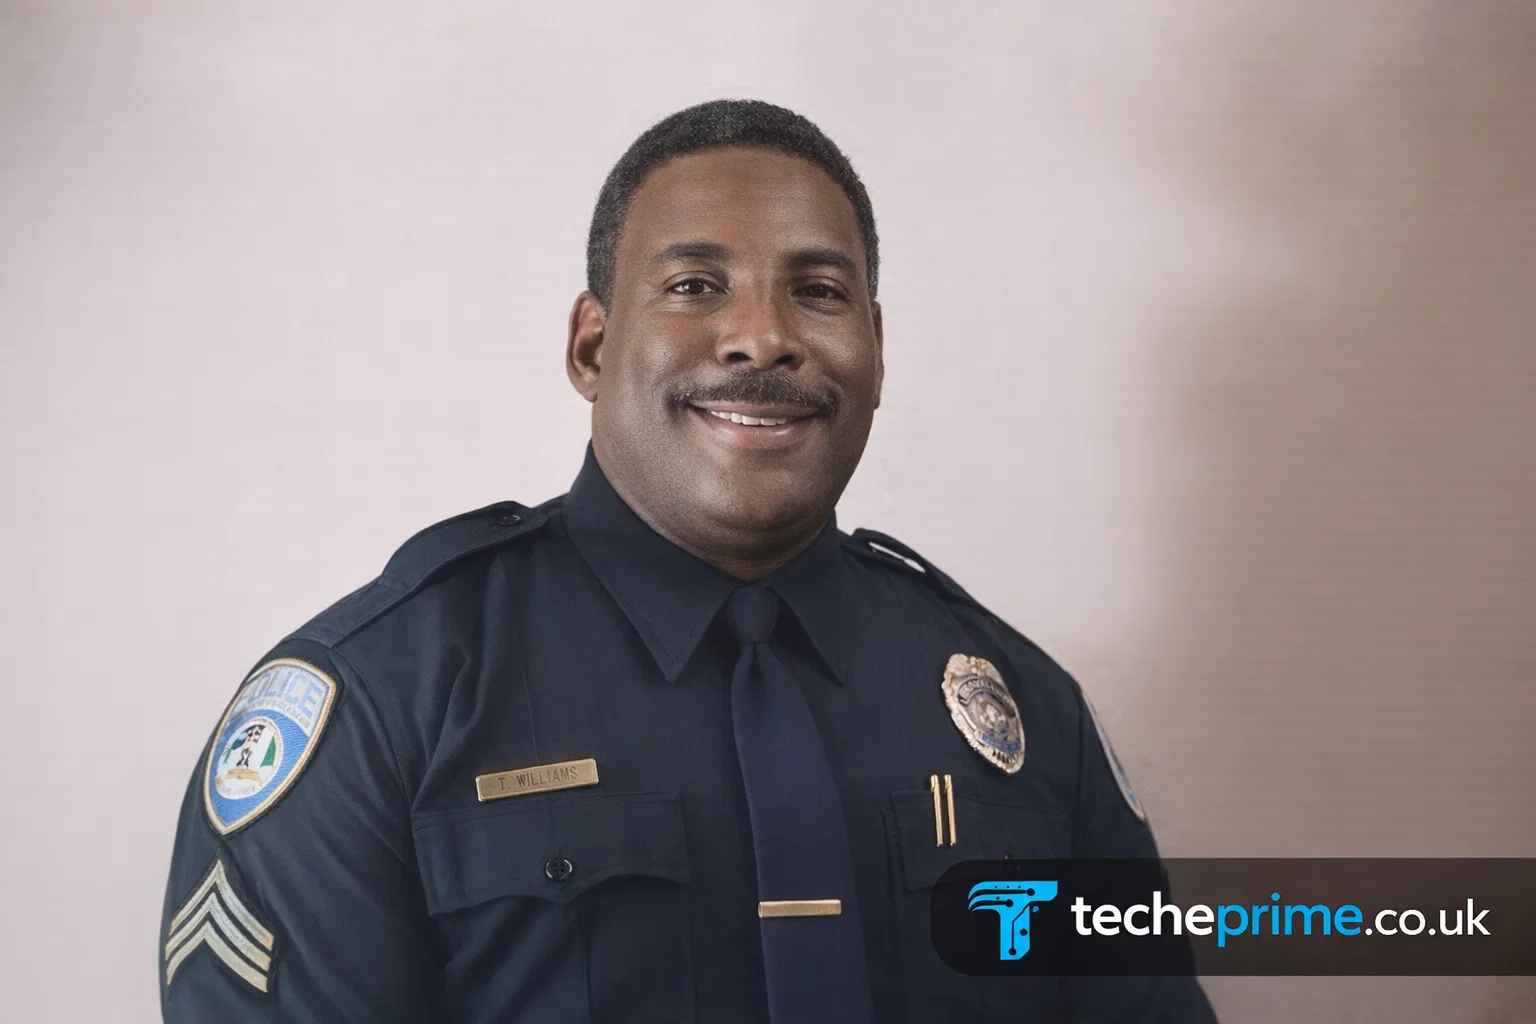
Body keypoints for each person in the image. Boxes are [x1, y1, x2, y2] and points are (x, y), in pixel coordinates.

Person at [160, 98, 1216, 1023]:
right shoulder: (383, 705)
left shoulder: (1028, 714)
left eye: (819, 291)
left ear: (877, 351)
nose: (762, 338)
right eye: (696, 284)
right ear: (591, 347)